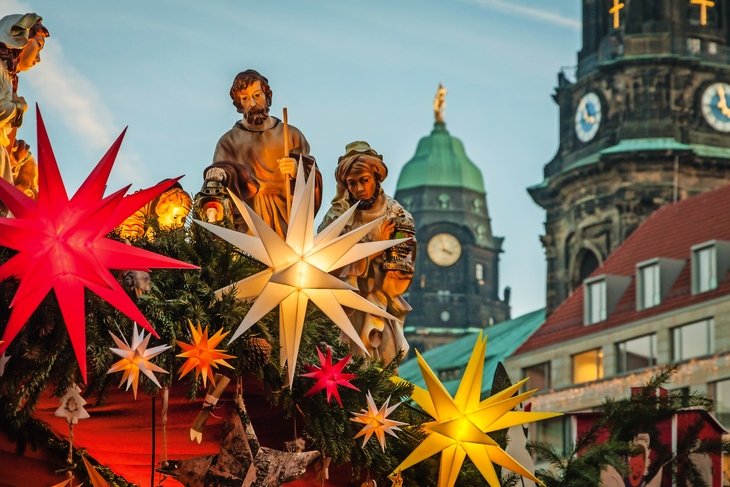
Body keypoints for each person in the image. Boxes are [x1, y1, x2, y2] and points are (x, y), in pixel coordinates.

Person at [318, 141, 415, 364]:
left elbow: (403, 265)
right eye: (352, 184)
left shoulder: (396, 213)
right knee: (348, 357)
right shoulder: (338, 217)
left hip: (379, 299)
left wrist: (388, 253)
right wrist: (377, 246)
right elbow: (325, 261)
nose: (360, 189)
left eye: (365, 181)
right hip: (346, 302)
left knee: (383, 356)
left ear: (376, 178)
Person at [201, 69, 322, 237]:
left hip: (287, 223)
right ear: (239, 103)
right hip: (249, 224)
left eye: (257, 95)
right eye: (245, 98)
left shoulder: (291, 135)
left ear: (267, 96)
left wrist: (298, 172)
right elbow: (216, 187)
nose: (252, 103)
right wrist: (219, 174)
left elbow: (312, 178)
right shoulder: (228, 142)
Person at [0, 13, 49, 205]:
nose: (38, 58)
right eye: (38, 46)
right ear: (19, 38)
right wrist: (20, 107)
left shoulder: (8, 77)